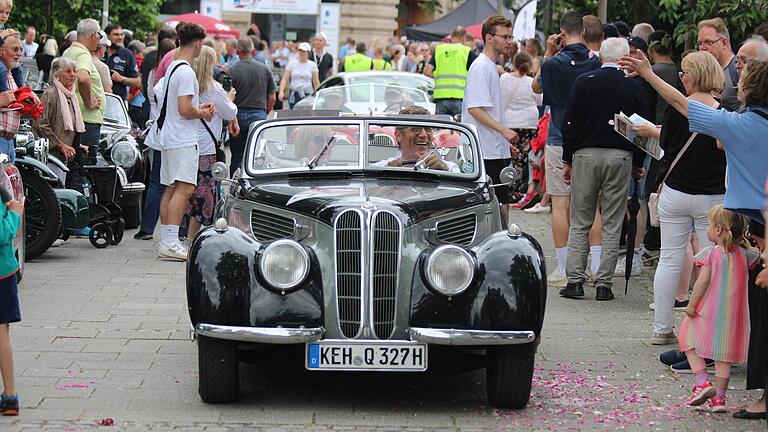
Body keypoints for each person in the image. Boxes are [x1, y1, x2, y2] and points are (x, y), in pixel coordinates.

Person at [558, 37, 648, 302]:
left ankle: (574, 281)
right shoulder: (633, 87)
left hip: (585, 155)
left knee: (581, 219)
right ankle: (604, 285)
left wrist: (567, 159)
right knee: (612, 220)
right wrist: (638, 164)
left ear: (600, 57)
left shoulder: (584, 82)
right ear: (623, 59)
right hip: (620, 157)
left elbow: (570, 123)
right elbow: (640, 129)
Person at [532, 10, 601, 287]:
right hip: (588, 140)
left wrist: (548, 54)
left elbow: (536, 88)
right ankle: (596, 267)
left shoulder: (552, 64)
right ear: (583, 32)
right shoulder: (596, 62)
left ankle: (563, 268)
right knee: (592, 206)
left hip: (558, 138)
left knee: (560, 205)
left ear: (561, 32)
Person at [677, 205, 755, 412]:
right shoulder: (745, 255)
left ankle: (702, 382)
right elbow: (758, 258)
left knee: (688, 340)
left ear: (718, 229)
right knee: (724, 357)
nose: (708, 229)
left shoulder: (710, 254)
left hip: (707, 311)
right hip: (733, 316)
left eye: (710, 225)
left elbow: (702, 282)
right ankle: (719, 400)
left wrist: (692, 305)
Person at [154, 22, 214, 261]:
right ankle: (169, 242)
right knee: (185, 187)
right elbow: (184, 109)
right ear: (198, 43)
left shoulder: (173, 67)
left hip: (169, 135)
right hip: (183, 137)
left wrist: (196, 109)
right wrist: (203, 112)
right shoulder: (187, 71)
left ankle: (168, 240)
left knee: (171, 187)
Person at [462, 15, 520, 218]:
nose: (509, 41)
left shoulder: (489, 66)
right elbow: (475, 109)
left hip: (493, 148)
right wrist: (503, 131)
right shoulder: (481, 67)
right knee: (497, 204)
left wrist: (503, 139)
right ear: (489, 37)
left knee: (502, 201)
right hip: (485, 150)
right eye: (504, 37)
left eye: (510, 36)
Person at [187, 45, 237, 239]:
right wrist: (230, 98)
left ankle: (176, 233)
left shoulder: (188, 85)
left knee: (184, 189)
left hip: (186, 142)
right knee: (203, 192)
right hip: (207, 146)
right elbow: (230, 112)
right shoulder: (214, 88)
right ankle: (192, 236)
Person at [133, 37, 177, 241]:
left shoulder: (153, 73)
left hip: (155, 128)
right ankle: (174, 229)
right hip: (167, 130)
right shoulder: (173, 76)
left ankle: (147, 226)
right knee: (171, 182)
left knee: (156, 182)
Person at [32, 57, 86, 186]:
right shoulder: (50, 94)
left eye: (74, 71)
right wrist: (60, 145)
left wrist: (78, 145)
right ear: (56, 74)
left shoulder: (71, 95)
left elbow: (71, 125)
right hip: (51, 156)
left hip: (65, 156)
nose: (73, 75)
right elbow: (41, 125)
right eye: (67, 71)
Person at [228, 37, 276, 175]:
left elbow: (227, 98)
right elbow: (272, 97)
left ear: (237, 51)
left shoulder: (232, 70)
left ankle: (234, 185)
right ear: (253, 51)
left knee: (236, 156)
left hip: (237, 117)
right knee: (257, 157)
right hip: (258, 115)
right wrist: (264, 113)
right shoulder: (265, 69)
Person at [501, 52, 542, 209]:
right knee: (525, 158)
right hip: (529, 122)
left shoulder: (504, 79)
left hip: (509, 122)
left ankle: (509, 189)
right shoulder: (531, 82)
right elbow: (540, 100)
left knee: (510, 157)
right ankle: (522, 190)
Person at [63, 18, 105, 164]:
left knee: (75, 169)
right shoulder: (83, 54)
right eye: (99, 35)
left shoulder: (69, 51)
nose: (99, 39)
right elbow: (83, 78)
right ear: (93, 35)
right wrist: (89, 102)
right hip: (86, 120)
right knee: (84, 170)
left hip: (77, 117)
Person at [375, 106, 458, 172]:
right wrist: (385, 177)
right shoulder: (380, 168)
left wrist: (445, 173)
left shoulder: (449, 168)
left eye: (428, 129)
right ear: (398, 135)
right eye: (415, 129)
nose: (424, 135)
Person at [0, 190, 22, 416]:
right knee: (1, 331)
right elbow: (2, 234)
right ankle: (9, 395)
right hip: (1, 272)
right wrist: (15, 214)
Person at [425, 27, 478, 117]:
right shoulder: (466, 51)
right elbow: (478, 71)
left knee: (441, 129)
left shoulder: (439, 49)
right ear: (464, 38)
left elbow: (427, 71)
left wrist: (439, 76)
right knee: (459, 129)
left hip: (440, 97)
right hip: (459, 98)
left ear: (451, 36)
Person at [697, 18, 739, 112]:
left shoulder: (737, 68)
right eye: (700, 43)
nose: (702, 48)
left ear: (724, 42)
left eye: (708, 42)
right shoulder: (707, 71)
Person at [103, 23, 140, 101]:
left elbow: (137, 82)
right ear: (107, 36)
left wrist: (121, 79)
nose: (120, 37)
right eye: (116, 35)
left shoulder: (127, 54)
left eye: (121, 34)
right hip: (99, 100)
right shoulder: (99, 51)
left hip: (118, 101)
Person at [279, 42, 319, 109]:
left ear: (308, 53)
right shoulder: (292, 63)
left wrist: (317, 94)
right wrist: (281, 91)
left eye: (304, 51)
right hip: (294, 93)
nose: (302, 53)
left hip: (307, 93)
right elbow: (285, 79)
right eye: (300, 51)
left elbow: (316, 82)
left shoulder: (312, 65)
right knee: (293, 112)